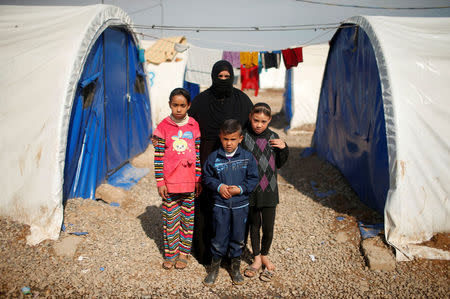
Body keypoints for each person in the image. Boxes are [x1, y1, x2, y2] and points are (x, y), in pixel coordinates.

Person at [188, 60, 254, 265]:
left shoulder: (242, 101)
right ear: (213, 77)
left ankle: (233, 254)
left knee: (234, 204)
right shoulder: (200, 101)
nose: (223, 80)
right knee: (208, 204)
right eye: (220, 77)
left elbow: (252, 132)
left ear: (232, 77)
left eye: (227, 77)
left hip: (235, 161)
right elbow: (188, 129)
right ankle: (207, 252)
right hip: (207, 156)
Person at [202, 119, 258, 286]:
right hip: (220, 206)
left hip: (241, 205)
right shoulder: (213, 158)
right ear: (220, 137)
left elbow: (253, 179)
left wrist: (240, 189)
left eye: (233, 139)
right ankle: (214, 268)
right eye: (226, 139)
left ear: (240, 138)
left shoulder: (247, 158)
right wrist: (219, 186)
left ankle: (235, 268)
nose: (229, 143)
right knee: (218, 238)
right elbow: (206, 177)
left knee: (238, 238)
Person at [152, 88, 202, 270]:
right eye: (175, 105)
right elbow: (158, 157)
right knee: (170, 220)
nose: (179, 109)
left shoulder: (194, 126)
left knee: (187, 220)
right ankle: (170, 253)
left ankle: (183, 253)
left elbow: (197, 155)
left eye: (182, 105)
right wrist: (160, 182)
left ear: (188, 105)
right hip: (170, 185)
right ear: (170, 105)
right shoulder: (162, 127)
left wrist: (198, 179)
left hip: (189, 184)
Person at [241, 103, 289, 282]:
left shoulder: (273, 137)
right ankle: (256, 258)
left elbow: (281, 163)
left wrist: (284, 148)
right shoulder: (244, 137)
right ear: (250, 117)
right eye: (255, 120)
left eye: (263, 121)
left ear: (269, 120)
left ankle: (265, 255)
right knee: (254, 226)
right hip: (252, 191)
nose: (258, 125)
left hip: (269, 190)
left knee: (268, 228)